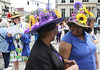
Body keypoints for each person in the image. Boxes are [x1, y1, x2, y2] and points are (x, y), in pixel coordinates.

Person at [59, 2, 98, 70]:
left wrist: (97, 65)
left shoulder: (88, 36)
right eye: (73, 25)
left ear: (84, 28)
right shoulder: (67, 39)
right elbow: (64, 62)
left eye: (79, 27)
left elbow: (93, 51)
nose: (75, 29)